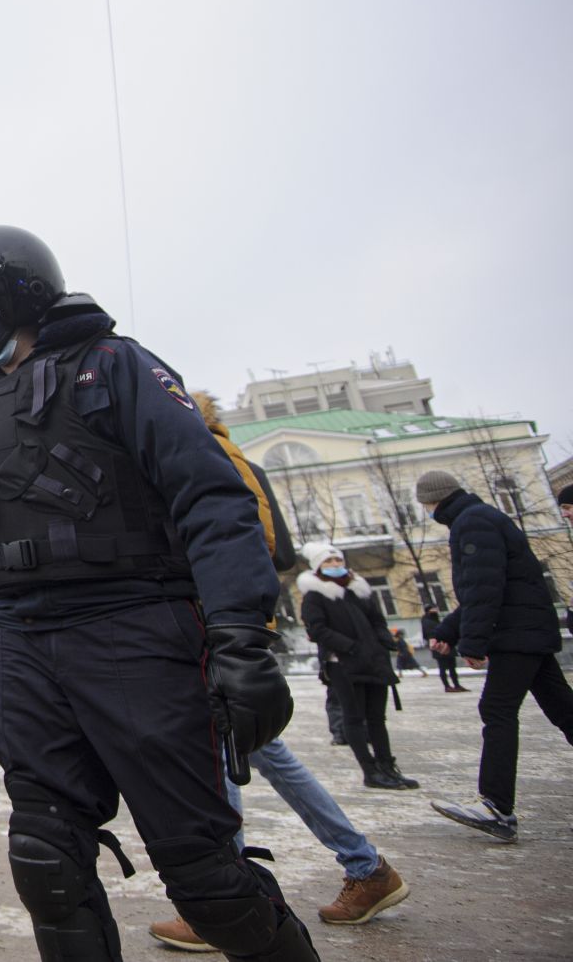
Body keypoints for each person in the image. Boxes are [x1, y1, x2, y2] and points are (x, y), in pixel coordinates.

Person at [0, 225, 315, 962]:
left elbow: (213, 500)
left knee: (207, 879)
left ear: (20, 289)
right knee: (46, 864)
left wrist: (243, 637)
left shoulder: (115, 366)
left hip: (137, 629)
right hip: (24, 643)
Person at [147, 396, 408, 948]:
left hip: (211, 624)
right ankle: (365, 867)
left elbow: (243, 545)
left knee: (225, 755)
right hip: (233, 623)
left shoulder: (198, 456)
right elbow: (284, 552)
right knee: (261, 752)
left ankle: (224, 904)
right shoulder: (238, 456)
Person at [420, 469, 573, 842]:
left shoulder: (471, 523)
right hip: (526, 628)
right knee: (565, 711)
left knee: (498, 710)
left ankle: (496, 807)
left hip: (515, 633)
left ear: (433, 499)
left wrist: (472, 642)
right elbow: (483, 586)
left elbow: (484, 587)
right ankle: (496, 806)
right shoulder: (480, 517)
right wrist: (449, 631)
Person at [297, 543, 416, 790]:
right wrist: (350, 646)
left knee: (377, 718)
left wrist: (385, 642)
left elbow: (377, 621)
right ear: (318, 566)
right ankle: (370, 771)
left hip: (373, 661)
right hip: (343, 664)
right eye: (328, 562)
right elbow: (317, 629)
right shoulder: (315, 595)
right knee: (354, 718)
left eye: (337, 560)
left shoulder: (359, 589)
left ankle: (387, 766)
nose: (334, 565)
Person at [422, 605, 466, 692]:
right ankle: (447, 686)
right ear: (428, 611)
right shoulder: (427, 621)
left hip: (448, 644)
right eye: (433, 609)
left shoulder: (436, 620)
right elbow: (430, 635)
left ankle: (456, 685)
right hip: (438, 647)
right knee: (443, 668)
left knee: (452, 667)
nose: (436, 611)